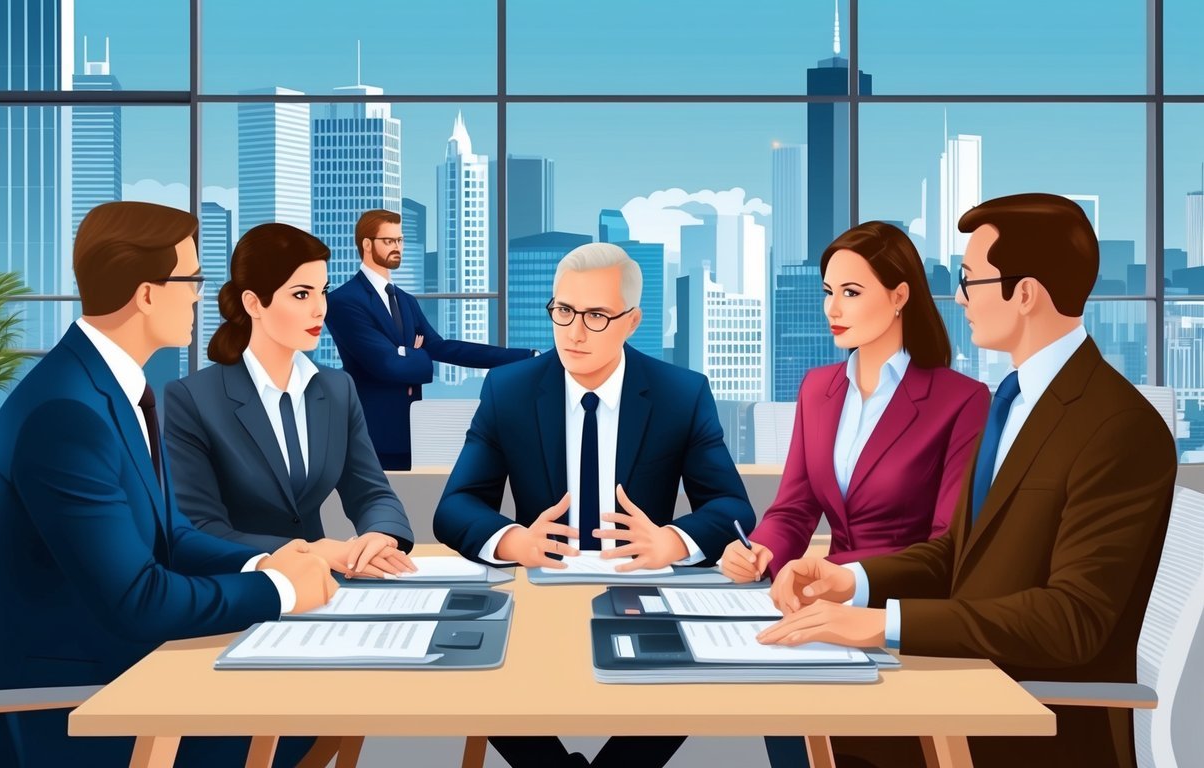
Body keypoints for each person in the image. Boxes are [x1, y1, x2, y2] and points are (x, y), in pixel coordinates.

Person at [759, 194, 1177, 768]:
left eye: (971, 280)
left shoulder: (1117, 426)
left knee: (798, 709)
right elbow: (956, 554)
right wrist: (848, 582)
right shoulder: (1012, 404)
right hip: (965, 682)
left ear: (1024, 293)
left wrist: (885, 624)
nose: (958, 297)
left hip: (1029, 722)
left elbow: (1071, 620)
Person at [0, 202, 338, 767]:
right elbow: (137, 598)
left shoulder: (112, 389)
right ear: (146, 294)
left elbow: (168, 535)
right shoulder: (66, 415)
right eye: (190, 279)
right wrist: (283, 593)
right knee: (316, 710)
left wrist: (265, 563)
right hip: (80, 717)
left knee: (319, 702)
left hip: (132, 678)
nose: (199, 295)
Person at [434, 242, 754, 768]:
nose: (574, 332)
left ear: (632, 321)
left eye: (596, 315)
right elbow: (456, 506)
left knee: (691, 685)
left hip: (643, 592)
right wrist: (515, 540)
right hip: (538, 595)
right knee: (474, 677)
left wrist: (671, 540)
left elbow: (732, 506)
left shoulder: (681, 392)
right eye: (563, 311)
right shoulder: (509, 389)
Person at [719, 222, 989, 768]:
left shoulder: (961, 400)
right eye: (828, 292)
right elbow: (795, 505)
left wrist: (841, 580)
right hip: (815, 607)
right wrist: (763, 550)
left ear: (899, 296)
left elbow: (948, 544)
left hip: (897, 615)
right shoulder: (819, 388)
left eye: (851, 292)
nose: (832, 309)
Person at [165, 223, 416, 578]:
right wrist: (309, 552)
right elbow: (199, 528)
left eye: (323, 291)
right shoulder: (193, 399)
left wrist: (379, 535)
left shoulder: (337, 389)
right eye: (301, 294)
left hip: (326, 589)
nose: (320, 310)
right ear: (253, 303)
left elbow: (371, 492)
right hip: (237, 587)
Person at [325, 208, 537, 470]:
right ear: (367, 244)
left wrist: (524, 357)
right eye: (388, 241)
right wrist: (416, 356)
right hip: (370, 433)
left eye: (399, 240)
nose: (397, 247)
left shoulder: (405, 300)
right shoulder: (343, 301)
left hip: (411, 431)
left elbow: (442, 347)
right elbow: (386, 365)